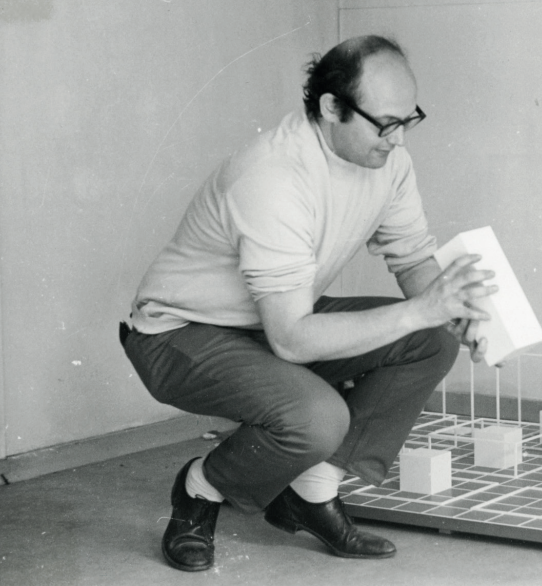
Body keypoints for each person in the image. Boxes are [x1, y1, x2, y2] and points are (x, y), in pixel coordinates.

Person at [121, 34, 496, 571]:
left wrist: (457, 315)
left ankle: (311, 493)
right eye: (385, 123)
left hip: (270, 320)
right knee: (318, 418)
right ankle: (199, 488)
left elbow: (412, 257)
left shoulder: (388, 161)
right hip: (179, 334)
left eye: (409, 120)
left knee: (431, 340)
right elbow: (293, 340)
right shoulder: (273, 176)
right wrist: (421, 308)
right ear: (331, 107)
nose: (398, 139)